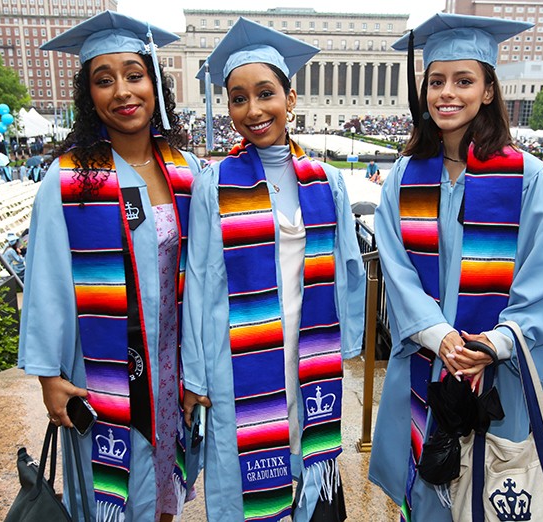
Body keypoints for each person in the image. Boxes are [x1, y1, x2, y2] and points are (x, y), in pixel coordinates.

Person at [368, 13, 543, 521]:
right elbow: (394, 267)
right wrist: (437, 333)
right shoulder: (405, 175)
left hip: (493, 369)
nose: (447, 93)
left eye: (464, 81)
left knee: (491, 490)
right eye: (436, 81)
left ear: (488, 90)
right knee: (425, 494)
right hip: (427, 358)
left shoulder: (527, 176)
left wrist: (493, 345)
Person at [18, 11, 202, 522]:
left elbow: (207, 274)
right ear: (89, 95)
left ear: (154, 85)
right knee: (111, 495)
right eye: (104, 80)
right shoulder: (70, 179)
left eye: (134, 75)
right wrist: (48, 377)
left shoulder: (186, 171)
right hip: (104, 369)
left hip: (171, 364)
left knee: (166, 486)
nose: (122, 91)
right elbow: (48, 283)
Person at [183, 17, 366, 522]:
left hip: (307, 352)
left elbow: (348, 268)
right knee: (244, 485)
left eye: (265, 93)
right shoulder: (214, 182)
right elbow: (198, 281)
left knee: (308, 472)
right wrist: (196, 374)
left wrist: (344, 344)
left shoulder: (325, 180)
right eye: (238, 98)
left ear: (291, 96)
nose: (253, 109)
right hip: (236, 356)